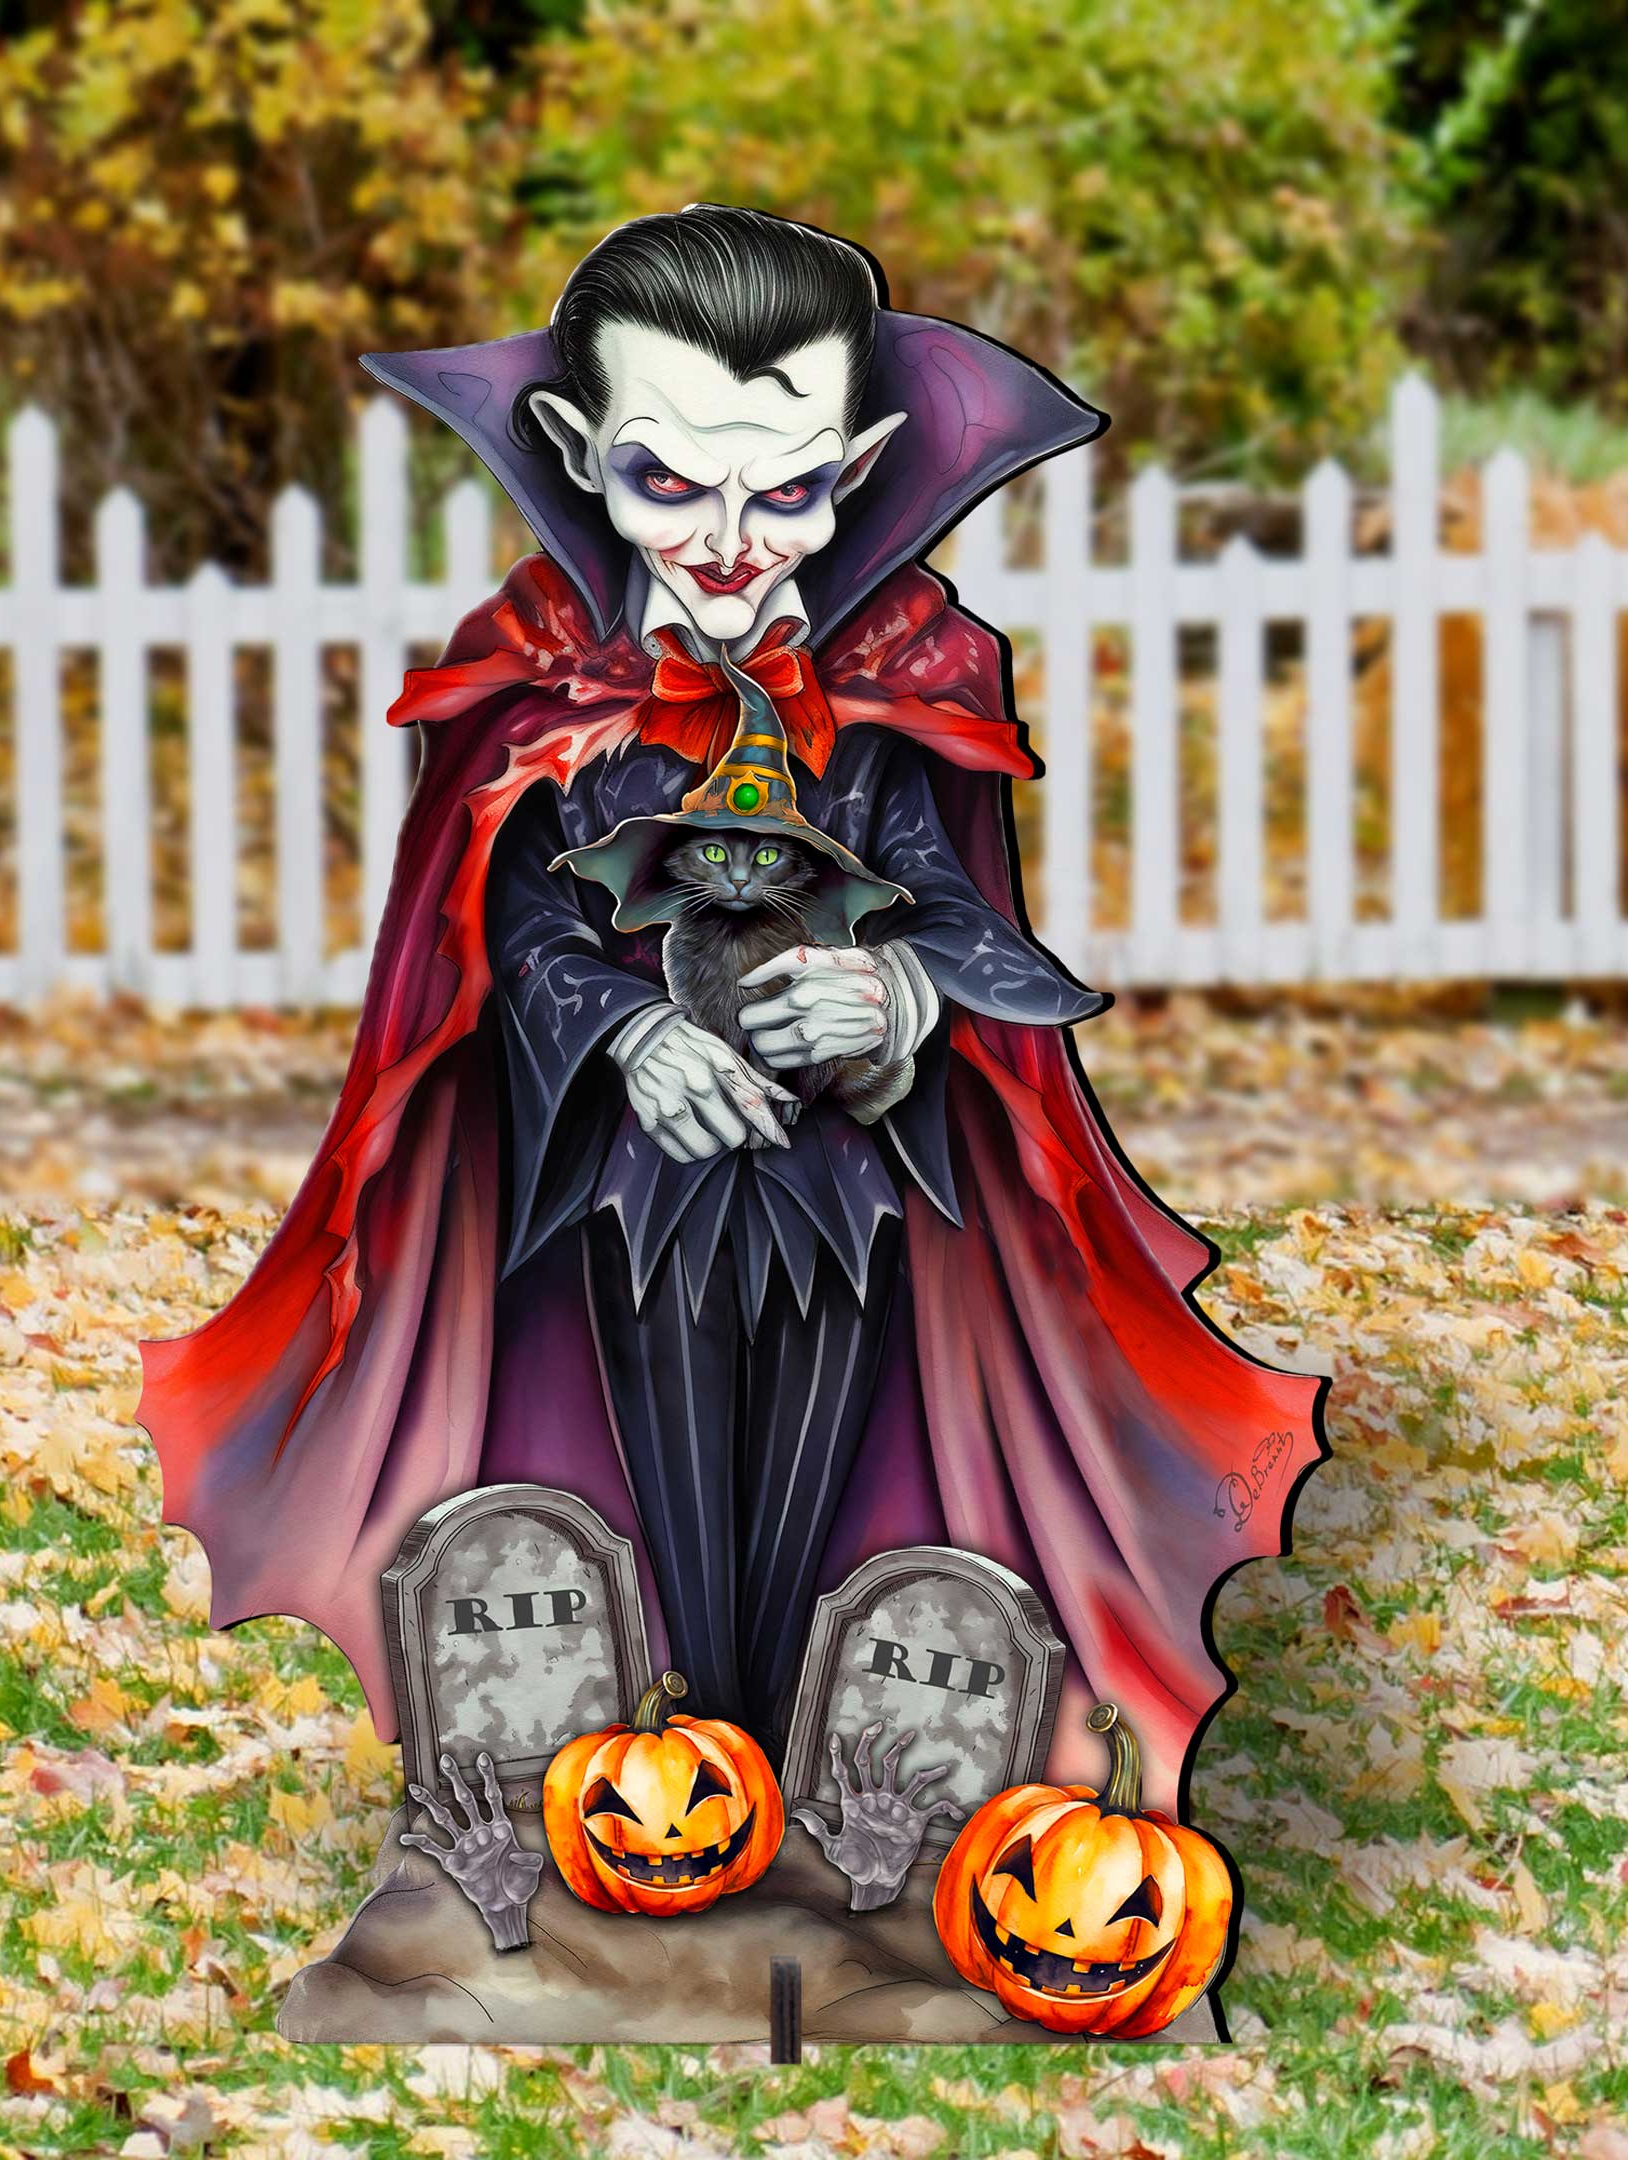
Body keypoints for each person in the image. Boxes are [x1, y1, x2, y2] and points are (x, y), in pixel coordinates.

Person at [139, 206, 1324, 1800]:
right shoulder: (539, 673)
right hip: (624, 1181)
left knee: (825, 1473)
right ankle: (680, 1754)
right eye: (668, 479)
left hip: (848, 1180)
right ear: (577, 451)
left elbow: (957, 905)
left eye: (788, 490)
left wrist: (900, 995)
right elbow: (501, 926)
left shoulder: (911, 672)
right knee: (659, 1473)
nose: (727, 539)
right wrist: (627, 1033)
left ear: (863, 461)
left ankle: (802, 1765)